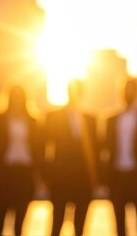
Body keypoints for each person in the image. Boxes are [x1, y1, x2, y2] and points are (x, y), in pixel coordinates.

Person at [100, 79, 137, 236]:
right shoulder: (110, 118)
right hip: (117, 177)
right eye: (125, 90)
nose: (128, 93)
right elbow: (103, 150)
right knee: (119, 225)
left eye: (132, 90)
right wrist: (104, 179)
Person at [42, 80, 99, 236]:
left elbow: (96, 151)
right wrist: (46, 175)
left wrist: (96, 179)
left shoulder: (91, 119)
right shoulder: (53, 117)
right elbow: (43, 147)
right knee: (56, 224)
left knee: (80, 227)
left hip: (83, 180)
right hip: (60, 180)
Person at [0, 86, 42, 236]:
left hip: (25, 174)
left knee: (20, 225)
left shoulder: (32, 121)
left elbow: (39, 149)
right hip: (4, 174)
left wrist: (39, 176)